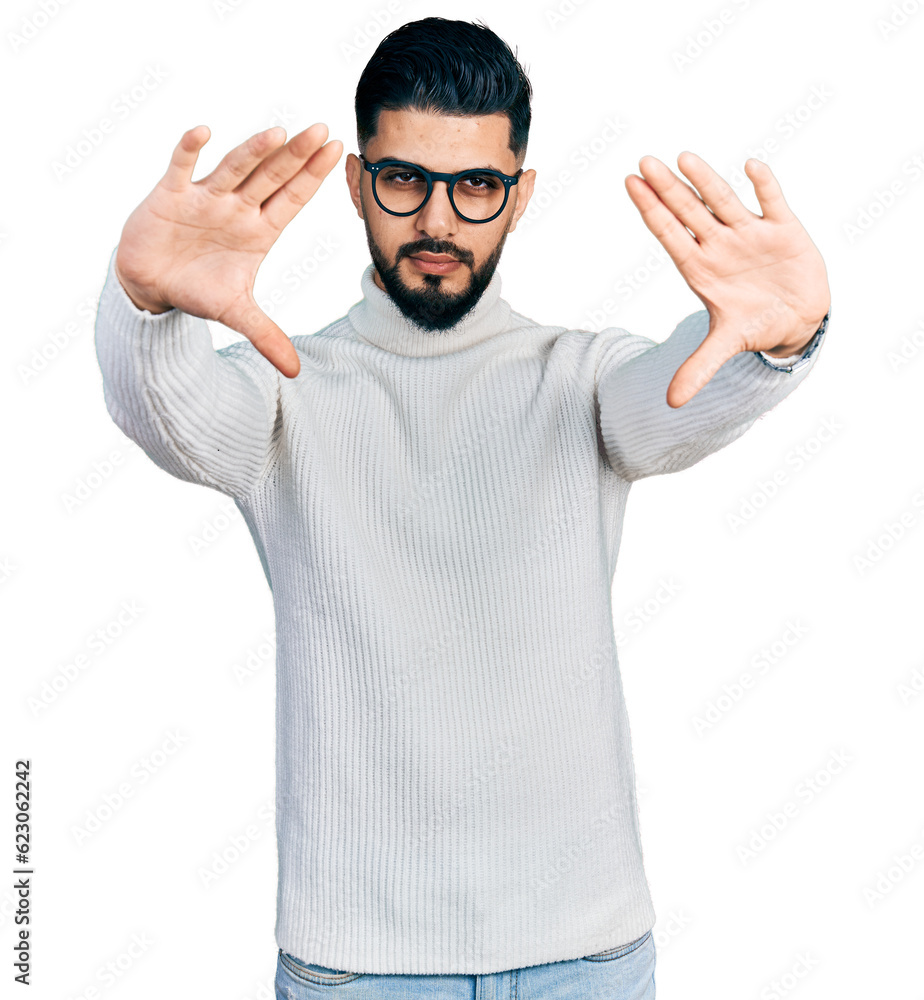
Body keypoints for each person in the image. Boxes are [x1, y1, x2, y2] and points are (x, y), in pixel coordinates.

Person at [93, 16, 830, 999]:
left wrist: (780, 339)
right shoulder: (284, 388)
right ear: (357, 183)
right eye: (405, 179)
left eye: (477, 185)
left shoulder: (580, 377)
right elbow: (170, 415)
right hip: (360, 964)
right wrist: (148, 309)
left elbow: (677, 399)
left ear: (519, 196)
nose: (438, 221)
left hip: (587, 956)